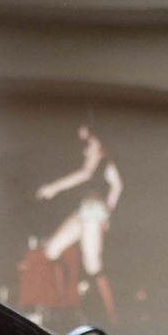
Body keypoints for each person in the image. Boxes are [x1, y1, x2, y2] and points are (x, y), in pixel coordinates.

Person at [35, 123, 122, 324]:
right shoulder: (87, 162)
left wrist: (107, 213)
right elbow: (112, 185)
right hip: (82, 212)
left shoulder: (103, 163)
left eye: (90, 144)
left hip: (94, 214)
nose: (85, 149)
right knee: (51, 251)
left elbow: (116, 185)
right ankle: (61, 305)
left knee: (92, 264)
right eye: (86, 145)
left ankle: (112, 319)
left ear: (100, 147)